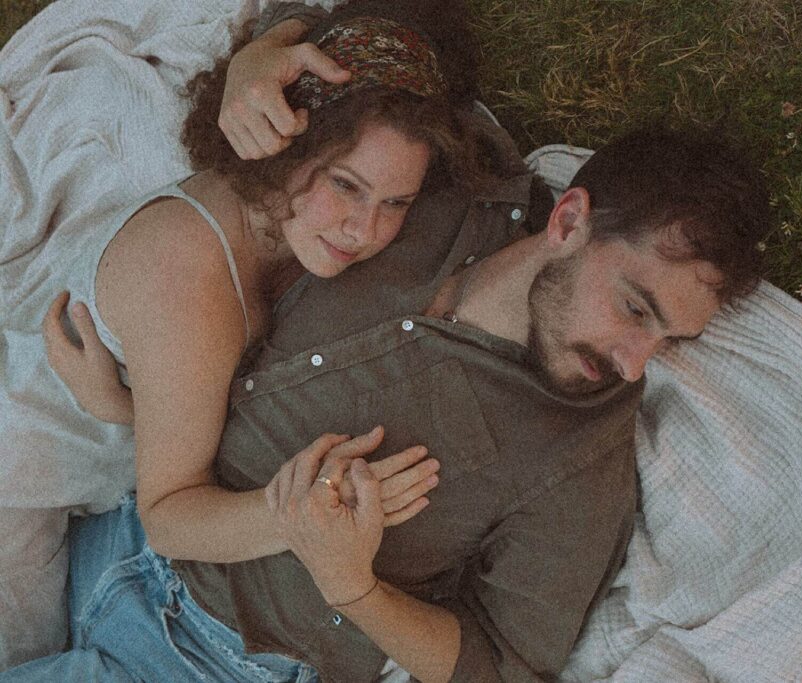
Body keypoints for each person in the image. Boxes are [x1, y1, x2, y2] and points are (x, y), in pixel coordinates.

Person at [0, 0, 487, 669]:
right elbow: (170, 513)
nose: (364, 229)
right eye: (346, 185)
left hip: (131, 424)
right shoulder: (192, 281)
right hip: (26, 468)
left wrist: (276, 39)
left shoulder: (293, 222)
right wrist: (297, 516)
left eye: (394, 202)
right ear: (287, 141)